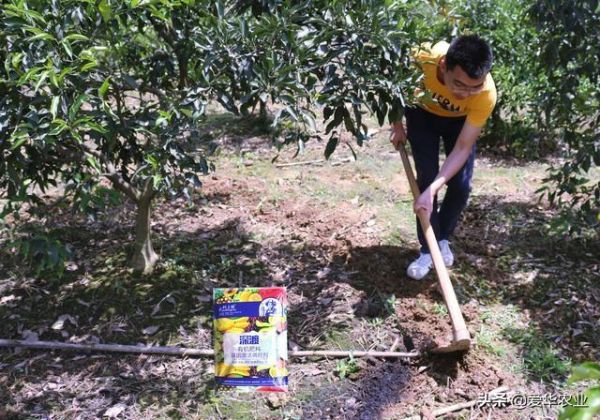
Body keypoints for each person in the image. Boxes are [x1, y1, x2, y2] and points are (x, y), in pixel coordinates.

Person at [390, 35, 497, 280]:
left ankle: (442, 238)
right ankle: (428, 250)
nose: (466, 93)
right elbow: (393, 86)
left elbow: (462, 147)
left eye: (474, 86)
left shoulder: (485, 95)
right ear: (443, 67)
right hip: (422, 113)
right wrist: (397, 124)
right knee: (426, 178)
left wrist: (436, 187)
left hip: (458, 123)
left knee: (460, 186)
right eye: (459, 84)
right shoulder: (422, 57)